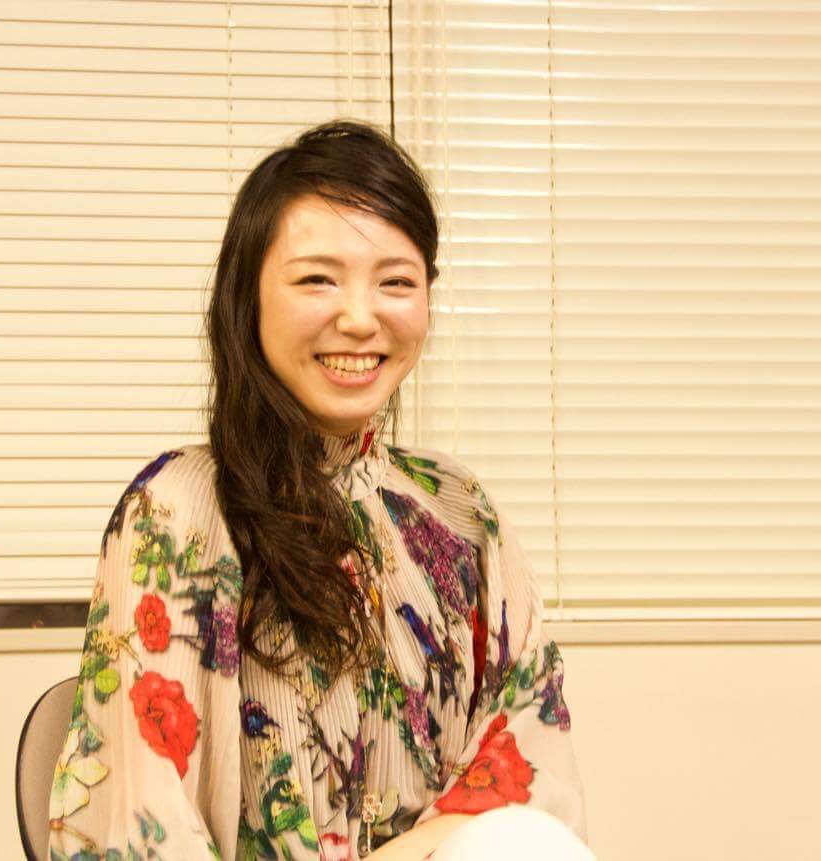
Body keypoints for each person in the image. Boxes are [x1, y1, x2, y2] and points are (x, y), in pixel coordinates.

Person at [46, 119, 588, 861]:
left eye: (396, 282)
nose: (360, 318)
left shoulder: (460, 514)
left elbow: (529, 775)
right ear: (248, 297)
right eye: (317, 279)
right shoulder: (174, 513)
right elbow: (146, 825)